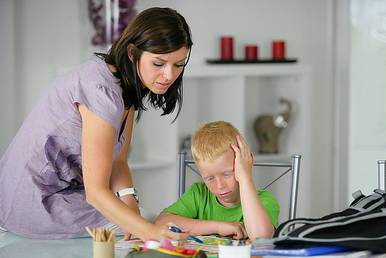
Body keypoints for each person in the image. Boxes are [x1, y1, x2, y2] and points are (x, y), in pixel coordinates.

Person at [0, 7, 193, 241]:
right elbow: (96, 193)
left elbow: (119, 160)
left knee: (145, 221)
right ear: (132, 53)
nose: (169, 75)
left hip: (67, 194)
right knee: (153, 226)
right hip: (33, 201)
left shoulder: (126, 84)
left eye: (179, 64)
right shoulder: (100, 91)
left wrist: (130, 202)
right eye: (159, 63)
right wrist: (148, 230)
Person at [154, 121, 279, 240]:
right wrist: (218, 226)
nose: (220, 186)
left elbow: (261, 237)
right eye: (210, 178)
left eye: (226, 174)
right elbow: (161, 223)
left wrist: (245, 177)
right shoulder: (199, 194)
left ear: (245, 164)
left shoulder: (265, 200)